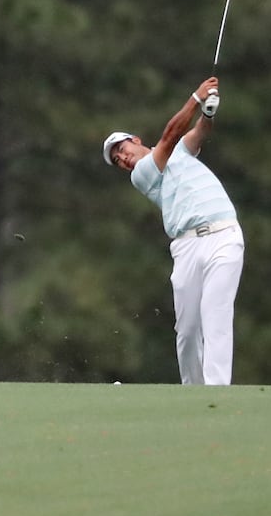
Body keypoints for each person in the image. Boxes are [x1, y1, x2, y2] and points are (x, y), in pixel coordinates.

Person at [103, 76, 244, 386]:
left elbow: (198, 134)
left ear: (136, 140)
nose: (123, 158)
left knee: (216, 314)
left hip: (224, 234)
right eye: (117, 160)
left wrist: (208, 112)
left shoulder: (180, 151)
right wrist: (196, 97)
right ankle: (192, 391)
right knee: (189, 328)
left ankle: (217, 390)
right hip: (186, 246)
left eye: (122, 149)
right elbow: (170, 134)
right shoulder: (142, 174)